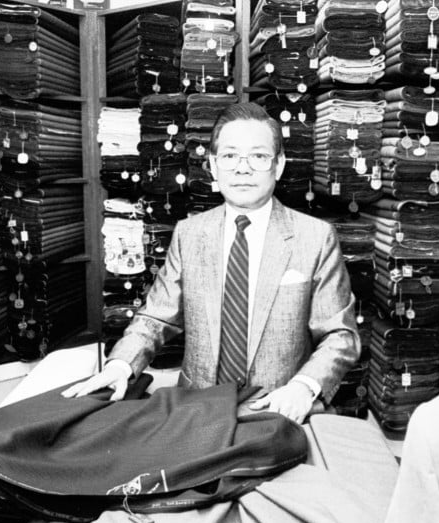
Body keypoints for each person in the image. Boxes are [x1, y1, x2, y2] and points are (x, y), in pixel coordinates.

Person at [64, 102, 359, 423]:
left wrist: (303, 388)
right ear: (214, 167)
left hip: (276, 410)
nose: (242, 168)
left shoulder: (315, 237)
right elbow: (155, 318)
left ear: (279, 165)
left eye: (258, 156)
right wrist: (121, 364)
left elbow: (340, 335)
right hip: (196, 409)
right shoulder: (189, 234)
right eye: (230, 156)